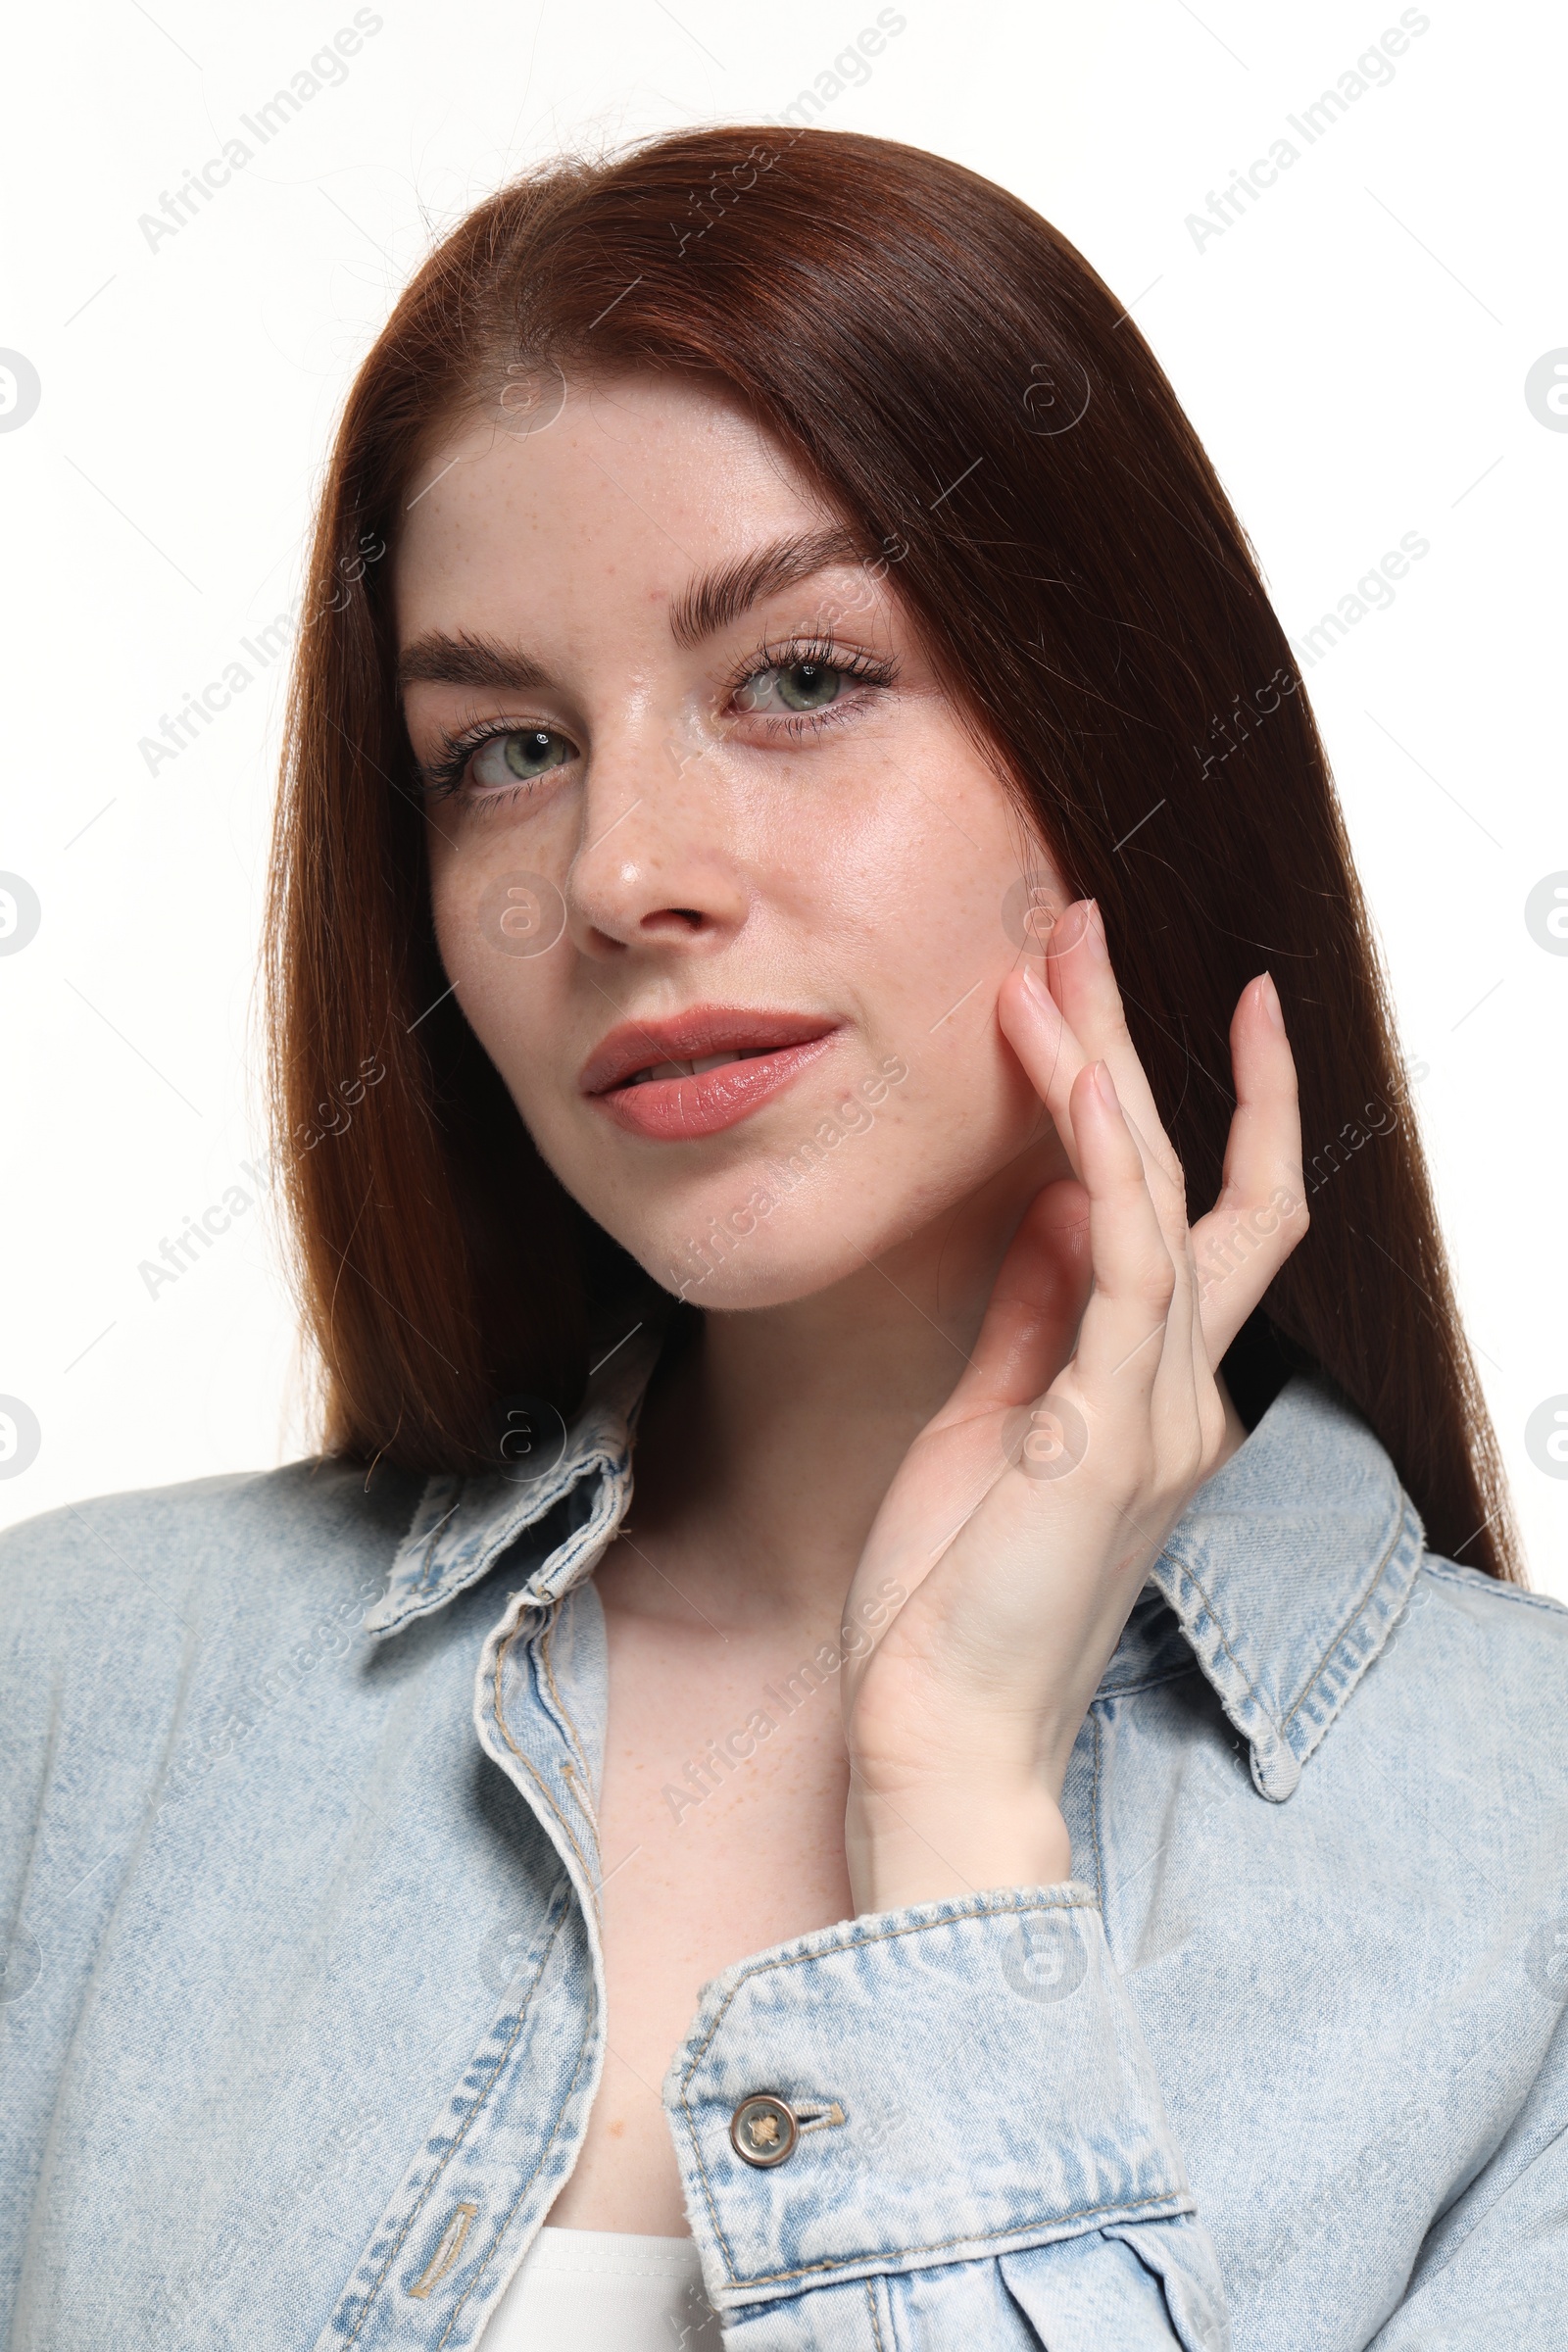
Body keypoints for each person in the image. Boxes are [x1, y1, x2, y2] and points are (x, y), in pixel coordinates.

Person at [3, 125, 1564, 2352]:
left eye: (801, 680)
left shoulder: (1527, 1875)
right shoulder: (69, 1707)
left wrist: (947, 1801)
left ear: (1117, 740)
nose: (621, 871)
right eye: (504, 748)